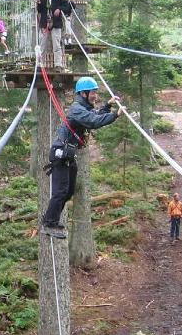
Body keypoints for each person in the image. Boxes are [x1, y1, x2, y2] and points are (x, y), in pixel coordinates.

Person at [41, 76, 124, 238]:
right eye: (93, 93)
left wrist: (108, 105)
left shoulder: (83, 108)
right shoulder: (76, 109)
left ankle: (52, 221)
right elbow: (93, 121)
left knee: (69, 191)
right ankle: (48, 224)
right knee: (60, 191)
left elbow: (96, 114)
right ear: (83, 93)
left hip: (68, 155)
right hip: (61, 154)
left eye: (95, 93)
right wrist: (115, 115)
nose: (95, 96)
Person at [37, 0, 72, 70]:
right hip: (44, 23)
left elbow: (68, 8)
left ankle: (58, 65)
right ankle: (40, 64)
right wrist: (39, 3)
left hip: (56, 24)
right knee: (42, 45)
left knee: (56, 45)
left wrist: (59, 9)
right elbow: (39, 10)